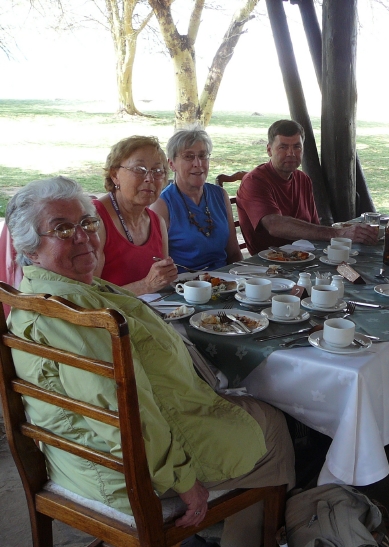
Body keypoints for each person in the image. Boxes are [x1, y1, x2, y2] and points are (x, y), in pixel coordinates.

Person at [6, 177, 294, 547]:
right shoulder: (75, 316)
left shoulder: (51, 290)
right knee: (274, 428)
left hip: (89, 456)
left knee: (249, 409)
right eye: (62, 229)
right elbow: (120, 414)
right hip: (121, 475)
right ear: (30, 250)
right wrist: (184, 482)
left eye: (87, 223)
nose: (83, 237)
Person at [236, 119, 378, 255]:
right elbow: (274, 225)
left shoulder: (303, 179)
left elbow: (314, 225)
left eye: (297, 147)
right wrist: (338, 234)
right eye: (283, 147)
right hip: (268, 263)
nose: (291, 153)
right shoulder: (254, 181)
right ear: (269, 150)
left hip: (306, 256)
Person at [93, 136, 177, 295]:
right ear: (115, 175)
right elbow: (88, 296)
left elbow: (161, 285)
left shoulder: (157, 222)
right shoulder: (95, 219)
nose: (150, 179)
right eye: (139, 169)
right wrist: (145, 286)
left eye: (158, 171)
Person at [150, 127, 243, 271]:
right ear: (171, 164)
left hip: (225, 279)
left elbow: (234, 253)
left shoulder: (220, 195)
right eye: (188, 156)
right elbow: (159, 267)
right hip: (184, 282)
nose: (198, 163)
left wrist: (241, 278)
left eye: (202, 155)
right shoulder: (162, 205)